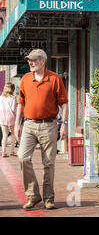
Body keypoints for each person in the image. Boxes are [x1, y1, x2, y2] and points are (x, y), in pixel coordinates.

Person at [15, 49, 68, 210]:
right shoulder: (25, 79)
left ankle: (48, 198)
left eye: (34, 60)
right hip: (29, 125)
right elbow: (21, 102)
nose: (30, 62)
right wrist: (17, 123)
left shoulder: (54, 79)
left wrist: (64, 123)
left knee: (48, 163)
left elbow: (64, 103)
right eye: (29, 60)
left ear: (43, 61)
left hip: (49, 125)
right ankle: (33, 194)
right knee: (22, 157)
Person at [0, 83, 18, 157]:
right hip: (11, 116)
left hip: (3, 116)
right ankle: (12, 151)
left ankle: (3, 152)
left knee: (5, 135)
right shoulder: (13, 98)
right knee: (13, 133)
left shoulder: (1, 97)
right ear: (12, 89)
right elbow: (14, 109)